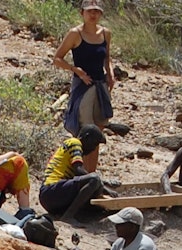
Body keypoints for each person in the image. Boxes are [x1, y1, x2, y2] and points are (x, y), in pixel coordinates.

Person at [54, 0, 115, 172]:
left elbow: (106, 57)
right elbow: (57, 59)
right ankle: (79, 174)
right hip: (83, 87)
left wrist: (110, 74)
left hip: (100, 86)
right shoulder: (75, 34)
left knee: (97, 132)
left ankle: (92, 174)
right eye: (90, 11)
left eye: (96, 11)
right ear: (82, 13)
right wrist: (76, 70)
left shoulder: (105, 33)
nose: (93, 14)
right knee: (84, 131)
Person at [39, 125, 111, 221]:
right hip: (51, 192)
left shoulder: (69, 145)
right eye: (94, 144)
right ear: (86, 137)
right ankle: (68, 216)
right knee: (94, 179)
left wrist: (104, 184)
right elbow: (79, 171)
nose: (93, 149)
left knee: (96, 201)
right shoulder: (75, 143)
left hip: (50, 196)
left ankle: (77, 213)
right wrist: (104, 187)